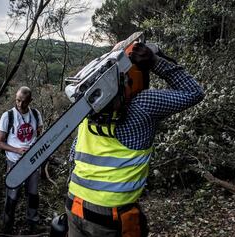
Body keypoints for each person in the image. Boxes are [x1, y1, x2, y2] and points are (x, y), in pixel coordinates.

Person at [65, 43, 205, 237]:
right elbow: (194, 92)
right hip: (110, 215)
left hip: (74, 204)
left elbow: (73, 156)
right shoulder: (143, 105)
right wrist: (156, 62)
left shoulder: (86, 111)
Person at [0, 86, 44, 234]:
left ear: (30, 100)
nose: (20, 104)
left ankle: (33, 223)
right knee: (12, 195)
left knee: (33, 194)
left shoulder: (35, 114)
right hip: (14, 161)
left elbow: (39, 133)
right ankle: (7, 225)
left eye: (24, 101)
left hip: (33, 161)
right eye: (18, 100)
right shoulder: (8, 116)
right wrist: (17, 150)